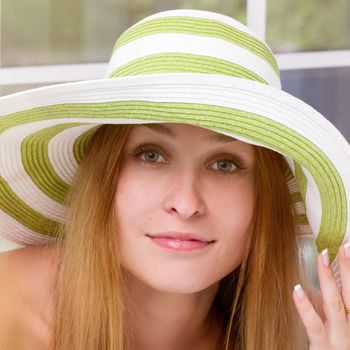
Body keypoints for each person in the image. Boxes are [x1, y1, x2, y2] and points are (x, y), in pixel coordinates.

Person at [0, 8, 349, 350]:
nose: (185, 204)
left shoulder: (308, 333)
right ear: (102, 177)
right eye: (151, 155)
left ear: (264, 197)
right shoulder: (9, 301)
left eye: (225, 164)